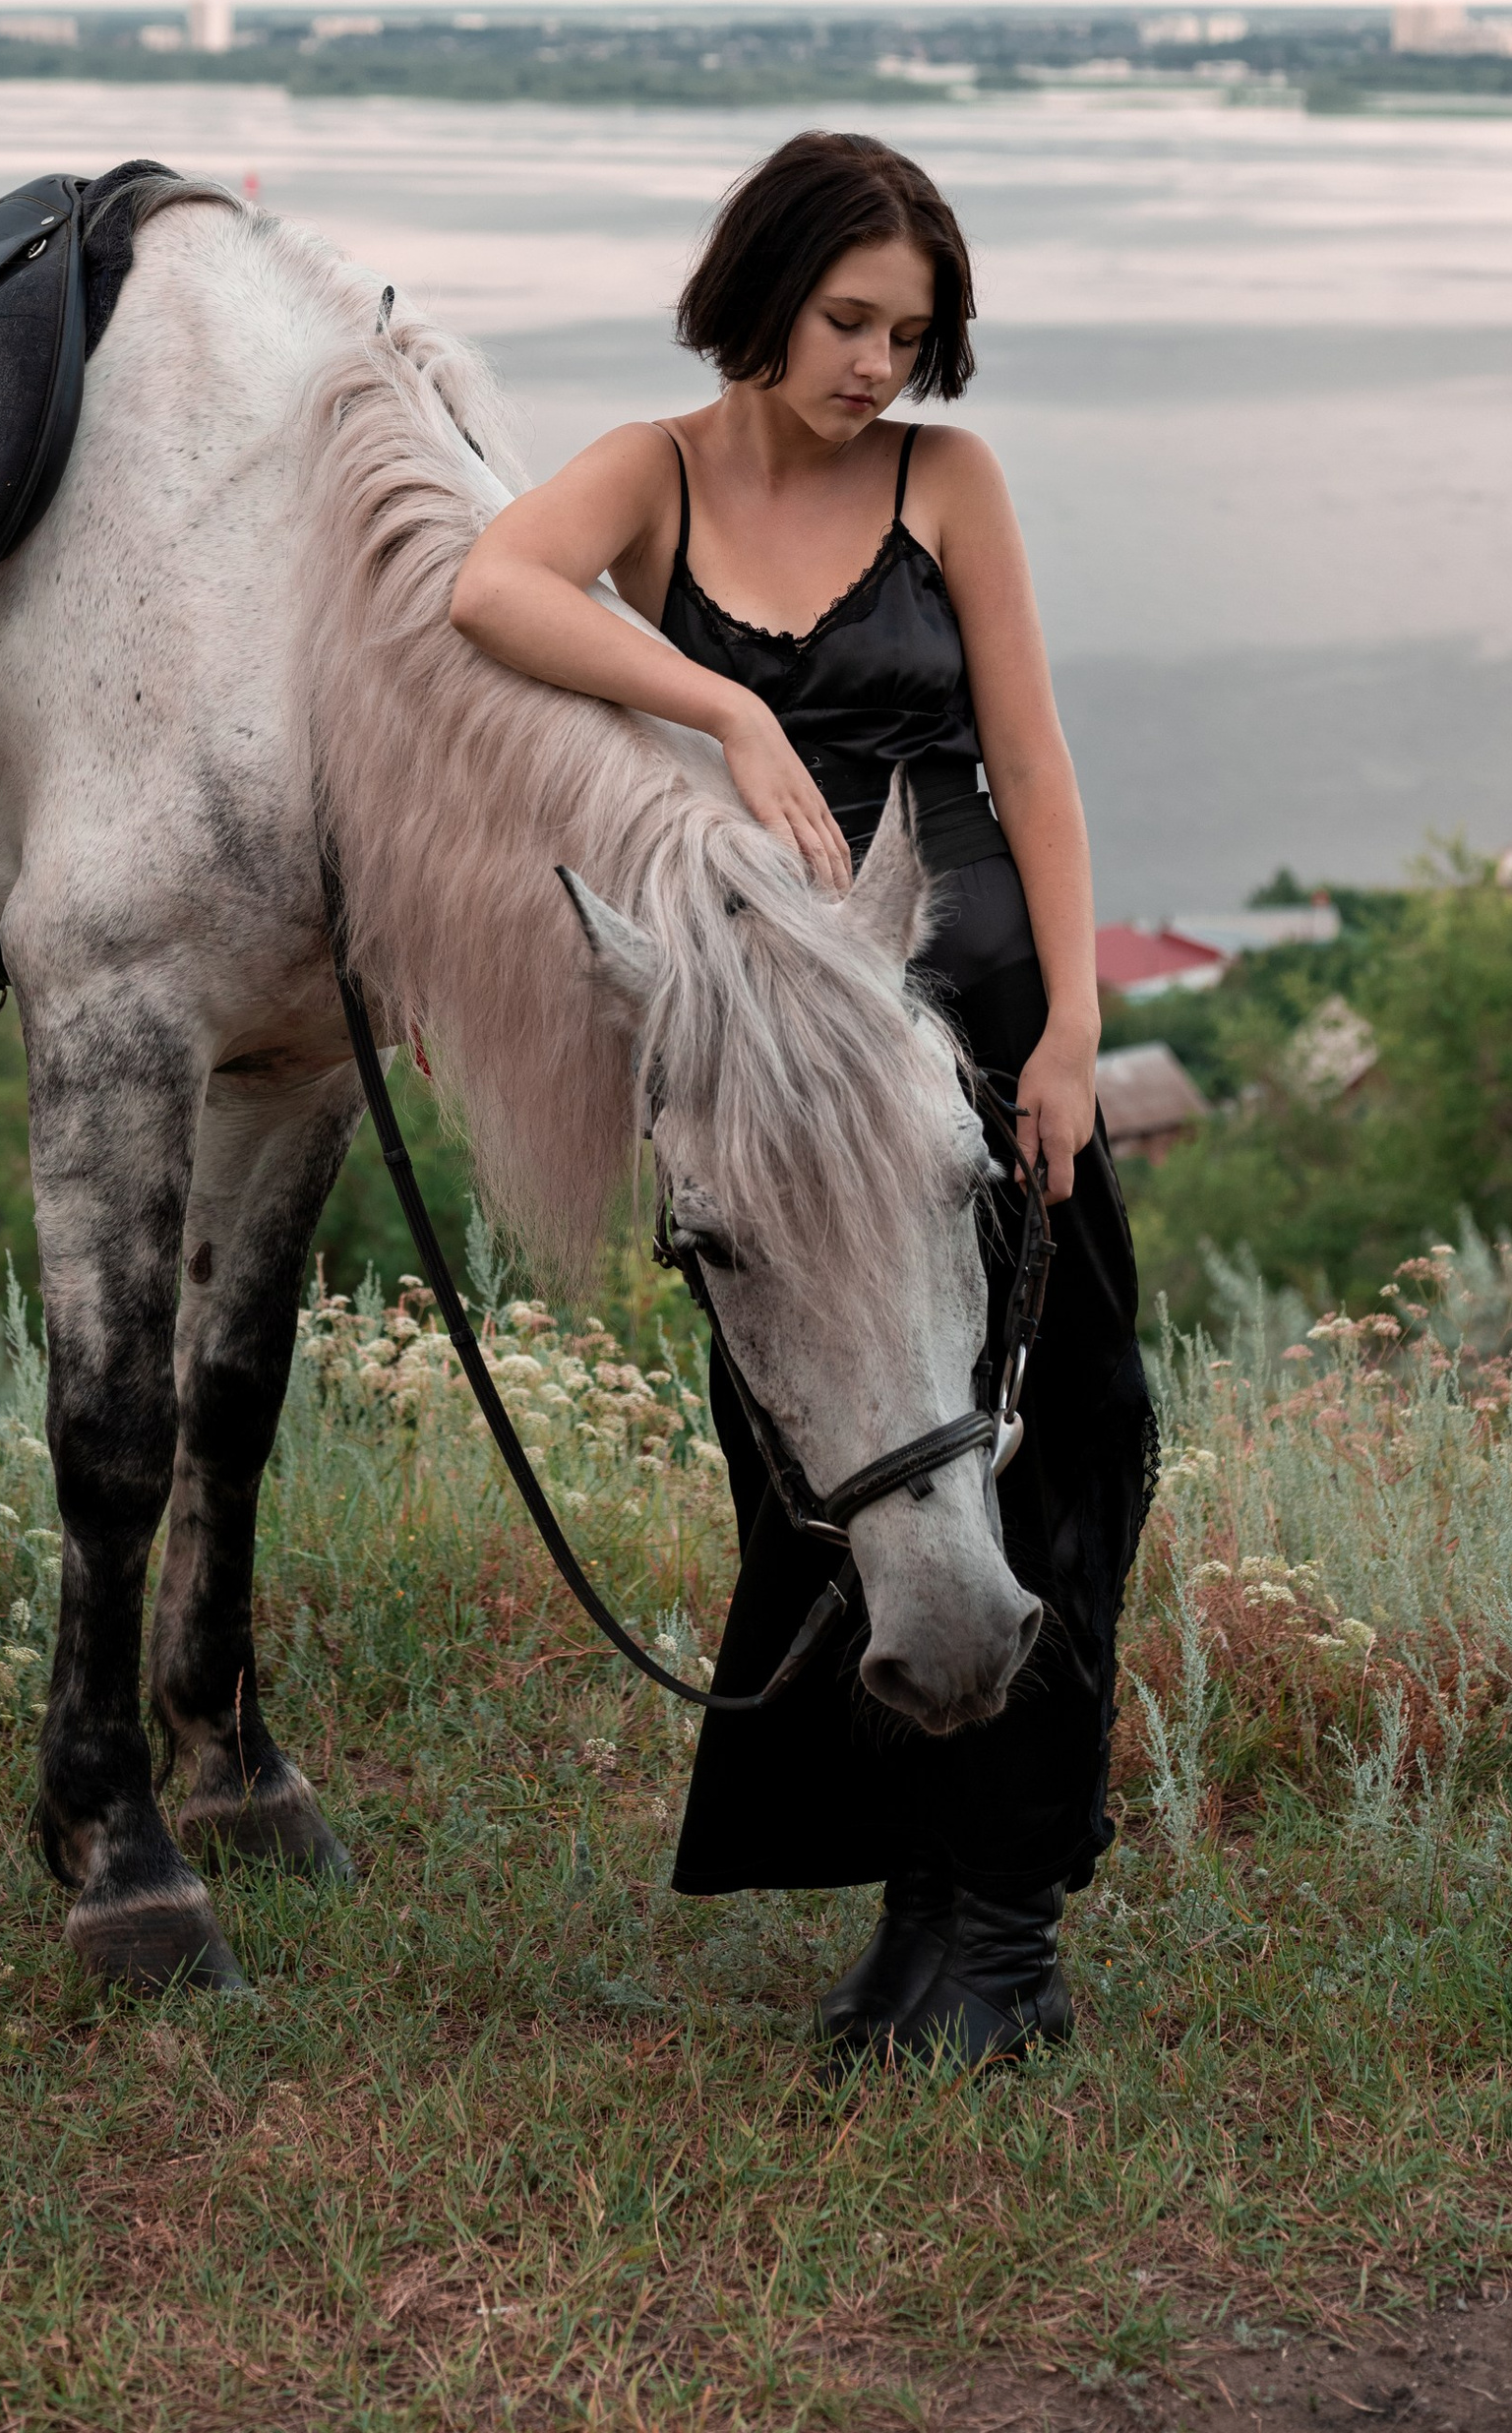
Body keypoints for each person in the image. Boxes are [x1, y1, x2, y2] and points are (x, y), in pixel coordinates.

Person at [450, 127, 1155, 2065]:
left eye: (908, 332)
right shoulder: (656, 476)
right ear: (760, 288)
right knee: (832, 1481)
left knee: (1059, 1440)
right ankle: (908, 1904)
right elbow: (488, 587)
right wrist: (724, 706)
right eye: (848, 319)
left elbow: (1035, 769)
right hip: (771, 1071)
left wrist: (1073, 1034)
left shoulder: (950, 479)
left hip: (978, 1037)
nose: (874, 366)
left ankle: (996, 1924)